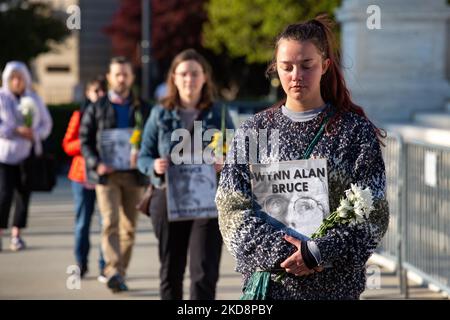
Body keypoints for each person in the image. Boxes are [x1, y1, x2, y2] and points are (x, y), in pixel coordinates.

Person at [215, 15, 389, 300]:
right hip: (271, 287)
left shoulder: (353, 132)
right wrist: (287, 255)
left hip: (334, 289)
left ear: (325, 66)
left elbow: (374, 214)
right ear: (276, 70)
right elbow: (231, 208)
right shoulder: (253, 131)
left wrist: (317, 253)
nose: (296, 75)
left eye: (306, 65)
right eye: (287, 67)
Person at [137, 49, 235, 300]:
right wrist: (154, 166)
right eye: (183, 74)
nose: (188, 79)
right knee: (171, 271)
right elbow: (143, 156)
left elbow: (237, 155)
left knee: (204, 271)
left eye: (194, 73)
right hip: (168, 198)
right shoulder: (160, 113)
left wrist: (225, 163)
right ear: (174, 78)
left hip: (208, 201)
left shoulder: (219, 113)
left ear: (204, 78)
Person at [80, 57, 151, 292]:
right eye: (117, 74)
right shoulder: (96, 107)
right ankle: (112, 269)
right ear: (109, 77)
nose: (121, 79)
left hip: (133, 175)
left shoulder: (143, 107)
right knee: (110, 222)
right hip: (107, 175)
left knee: (129, 226)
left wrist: (142, 155)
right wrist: (96, 163)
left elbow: (152, 138)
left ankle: (120, 273)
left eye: (125, 74)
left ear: (131, 77)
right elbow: (85, 140)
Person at [0, 61, 52, 252]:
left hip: (28, 154)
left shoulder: (34, 98)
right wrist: (14, 130)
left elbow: (46, 124)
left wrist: (34, 133)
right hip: (5, 156)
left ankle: (17, 235)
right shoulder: (2, 98)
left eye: (20, 78)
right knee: (4, 195)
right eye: (13, 78)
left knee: (23, 195)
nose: (17, 82)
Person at [62, 76, 107, 281]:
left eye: (102, 91)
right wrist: (87, 142)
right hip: (81, 176)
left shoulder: (110, 114)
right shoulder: (79, 115)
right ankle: (81, 263)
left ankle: (105, 265)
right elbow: (67, 145)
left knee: (107, 222)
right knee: (82, 222)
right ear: (88, 93)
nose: (99, 95)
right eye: (94, 91)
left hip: (105, 175)